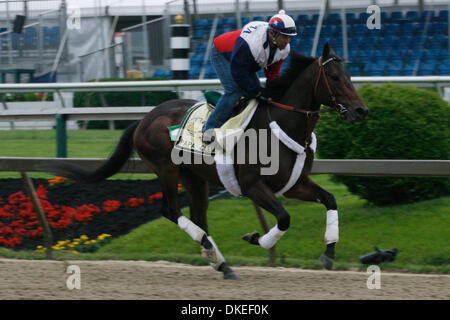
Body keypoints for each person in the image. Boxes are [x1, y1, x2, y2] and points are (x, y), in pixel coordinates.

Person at [202, 10, 298, 143]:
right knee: (235, 90)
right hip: (222, 53)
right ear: (272, 33)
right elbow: (238, 72)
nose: (287, 41)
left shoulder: (284, 49)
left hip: (245, 61)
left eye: (289, 37)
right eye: (284, 37)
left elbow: (272, 73)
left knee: (258, 93)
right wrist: (257, 91)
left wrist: (273, 92)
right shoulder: (252, 43)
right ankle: (209, 129)